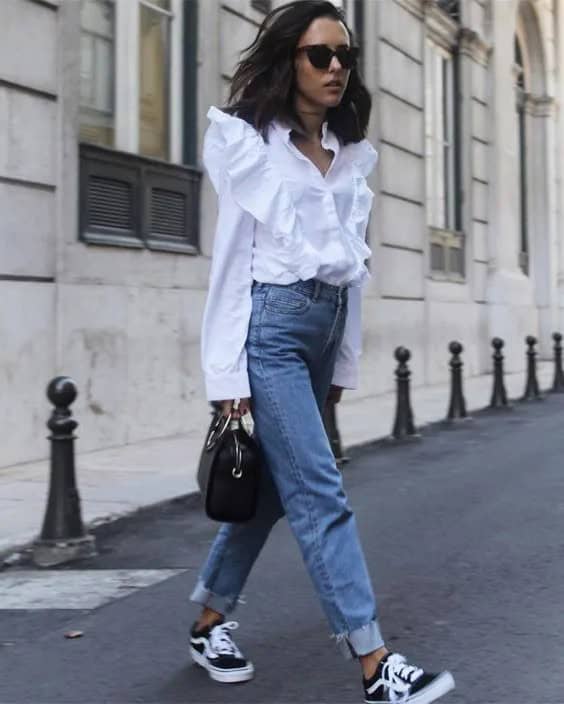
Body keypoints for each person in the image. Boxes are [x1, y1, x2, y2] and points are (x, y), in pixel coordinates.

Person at [189, 2, 455, 702]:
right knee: (319, 492)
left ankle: (209, 619)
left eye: (344, 55)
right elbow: (231, 265)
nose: (336, 67)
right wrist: (226, 377)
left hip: (322, 329)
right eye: (319, 55)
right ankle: (375, 661)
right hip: (270, 333)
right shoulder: (250, 144)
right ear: (288, 60)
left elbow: (351, 272)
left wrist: (342, 365)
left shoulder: (347, 154)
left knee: (276, 493)